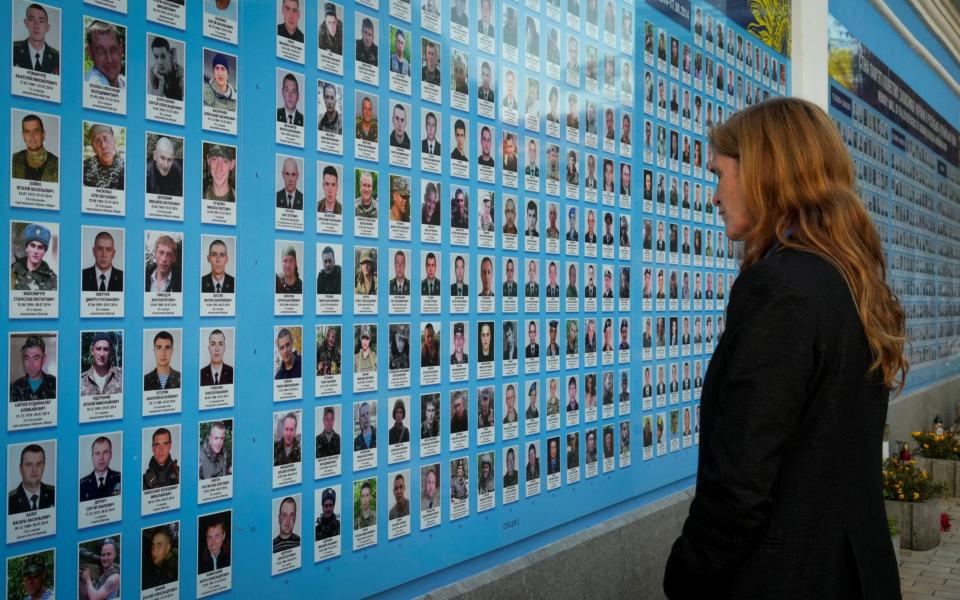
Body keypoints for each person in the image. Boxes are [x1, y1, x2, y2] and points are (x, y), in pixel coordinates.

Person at [664, 98, 908, 598]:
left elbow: (741, 482)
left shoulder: (780, 287)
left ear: (762, 173)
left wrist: (686, 573)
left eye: (720, 174)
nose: (714, 196)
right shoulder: (850, 282)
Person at [8, 443, 55, 514]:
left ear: (44, 467)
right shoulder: (9, 500)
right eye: (29, 465)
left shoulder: (54, 493)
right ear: (20, 469)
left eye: (39, 464)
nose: (34, 470)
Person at [13, 3, 59, 74]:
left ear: (47, 27)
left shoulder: (57, 58)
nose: (36, 25)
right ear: (26, 23)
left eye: (41, 21)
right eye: (31, 19)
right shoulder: (13, 50)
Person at [12, 114, 58, 183]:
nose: (32, 136)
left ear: (43, 134)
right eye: (27, 132)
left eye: (36, 131)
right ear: (23, 136)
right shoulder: (14, 160)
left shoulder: (57, 164)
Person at [10, 334, 56, 402]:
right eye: (27, 358)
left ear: (44, 359)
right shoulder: (17, 386)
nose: (31, 364)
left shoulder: (54, 384)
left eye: (36, 358)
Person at [79, 435, 121, 502]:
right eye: (97, 453)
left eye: (105, 452)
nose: (101, 458)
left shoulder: (120, 478)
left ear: (111, 454)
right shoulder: (81, 485)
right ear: (92, 457)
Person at [83, 124, 124, 191]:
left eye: (106, 139)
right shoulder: (84, 167)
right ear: (93, 148)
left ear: (113, 142)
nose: (103, 146)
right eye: (97, 141)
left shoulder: (125, 167)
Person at [80, 332, 122, 396]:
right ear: (92, 351)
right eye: (98, 349)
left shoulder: (122, 375)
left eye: (106, 349)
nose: (102, 354)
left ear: (110, 352)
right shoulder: (82, 380)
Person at [85, 20, 124, 88]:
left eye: (113, 50)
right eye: (101, 51)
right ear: (90, 52)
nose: (109, 60)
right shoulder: (92, 83)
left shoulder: (125, 82)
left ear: (121, 49)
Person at [149, 36, 184, 100]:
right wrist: (161, 82)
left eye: (163, 56)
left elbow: (182, 100)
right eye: (156, 57)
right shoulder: (153, 71)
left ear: (169, 54)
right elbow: (156, 101)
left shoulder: (179, 71)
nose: (160, 62)